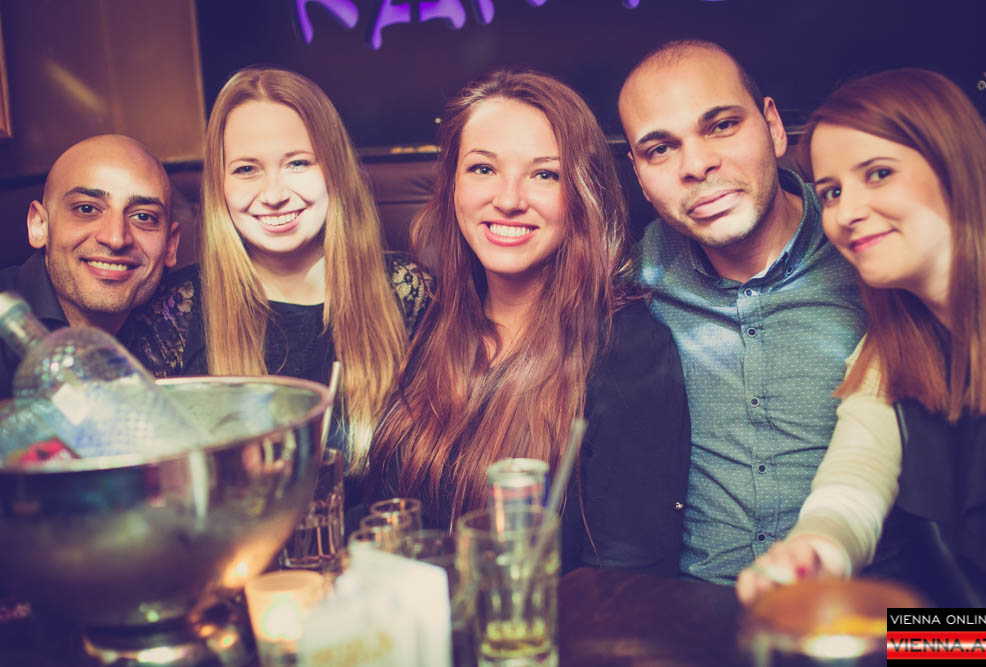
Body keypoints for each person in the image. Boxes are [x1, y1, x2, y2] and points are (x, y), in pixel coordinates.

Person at [368, 69, 691, 575]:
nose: (509, 199)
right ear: (452, 185)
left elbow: (627, 580)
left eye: (545, 175)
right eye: (483, 168)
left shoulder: (629, 352)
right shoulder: (430, 321)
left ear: (583, 194)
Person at [737, 68, 986, 607]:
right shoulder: (891, 350)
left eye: (878, 174)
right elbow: (853, 483)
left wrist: (912, 642)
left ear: (957, 165)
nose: (847, 213)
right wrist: (813, 552)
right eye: (831, 192)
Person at [618, 40, 867, 584]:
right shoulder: (629, 279)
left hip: (868, 612)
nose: (697, 165)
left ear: (774, 127)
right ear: (639, 175)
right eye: (660, 149)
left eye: (722, 125)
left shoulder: (866, 249)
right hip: (689, 612)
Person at [143, 66, 430, 499]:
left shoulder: (407, 292)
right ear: (220, 184)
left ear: (333, 170)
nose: (274, 194)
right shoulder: (177, 311)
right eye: (246, 169)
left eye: (297, 163)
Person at [0, 134, 181, 397]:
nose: (116, 238)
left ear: (170, 245)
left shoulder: (179, 326)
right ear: (39, 225)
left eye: (143, 216)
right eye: (86, 209)